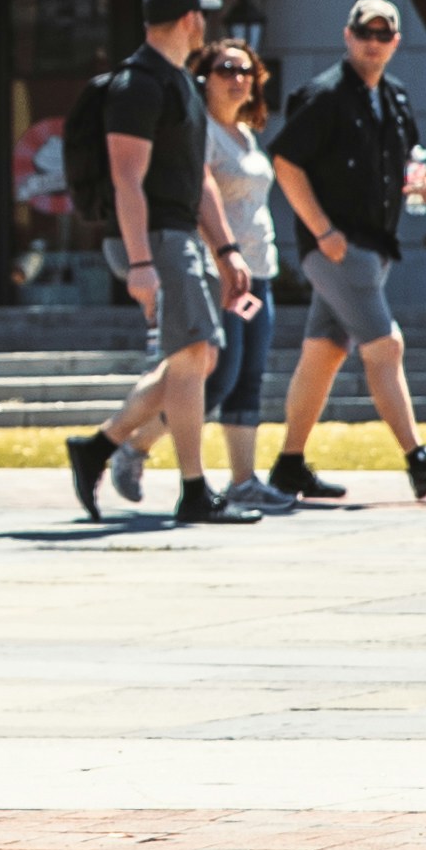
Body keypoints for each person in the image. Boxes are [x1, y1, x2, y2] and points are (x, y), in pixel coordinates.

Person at [64, 0, 259, 532]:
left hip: (180, 237)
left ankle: (100, 446)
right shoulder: (138, 86)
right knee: (196, 351)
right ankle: (195, 490)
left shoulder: (181, 85)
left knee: (196, 357)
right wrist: (142, 265)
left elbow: (196, 177)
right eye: (203, 15)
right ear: (188, 21)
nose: (207, 24)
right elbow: (128, 180)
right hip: (153, 239)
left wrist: (226, 249)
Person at [265, 0, 426, 506]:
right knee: (386, 346)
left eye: (384, 36)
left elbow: (404, 164)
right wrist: (321, 230)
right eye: (365, 34)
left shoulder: (394, 98)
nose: (373, 44)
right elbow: (286, 161)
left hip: (375, 246)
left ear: (395, 42)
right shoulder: (325, 95)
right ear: (347, 36)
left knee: (324, 353)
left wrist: (420, 188)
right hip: (338, 249)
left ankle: (289, 465)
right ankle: (418, 459)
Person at [196, 37, 288, 512]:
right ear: (204, 78)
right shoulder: (203, 133)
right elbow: (199, 204)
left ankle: (243, 480)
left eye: (246, 72)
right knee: (219, 377)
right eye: (226, 70)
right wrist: (223, 256)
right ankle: (134, 444)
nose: (238, 80)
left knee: (249, 378)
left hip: (260, 272)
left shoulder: (246, 135)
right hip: (222, 274)